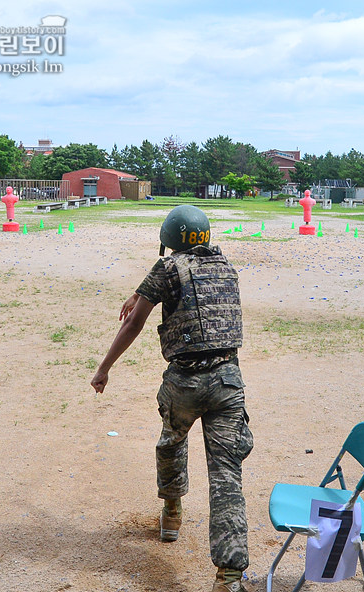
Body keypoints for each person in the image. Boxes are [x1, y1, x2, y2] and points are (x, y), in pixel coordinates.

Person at [91, 205, 253, 592]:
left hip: (185, 382)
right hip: (228, 382)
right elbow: (188, 286)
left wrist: (104, 369)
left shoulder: (166, 269)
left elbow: (135, 321)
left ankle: (172, 512)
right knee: (227, 478)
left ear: (169, 241)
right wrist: (139, 290)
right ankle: (229, 577)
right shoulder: (225, 266)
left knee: (171, 443)